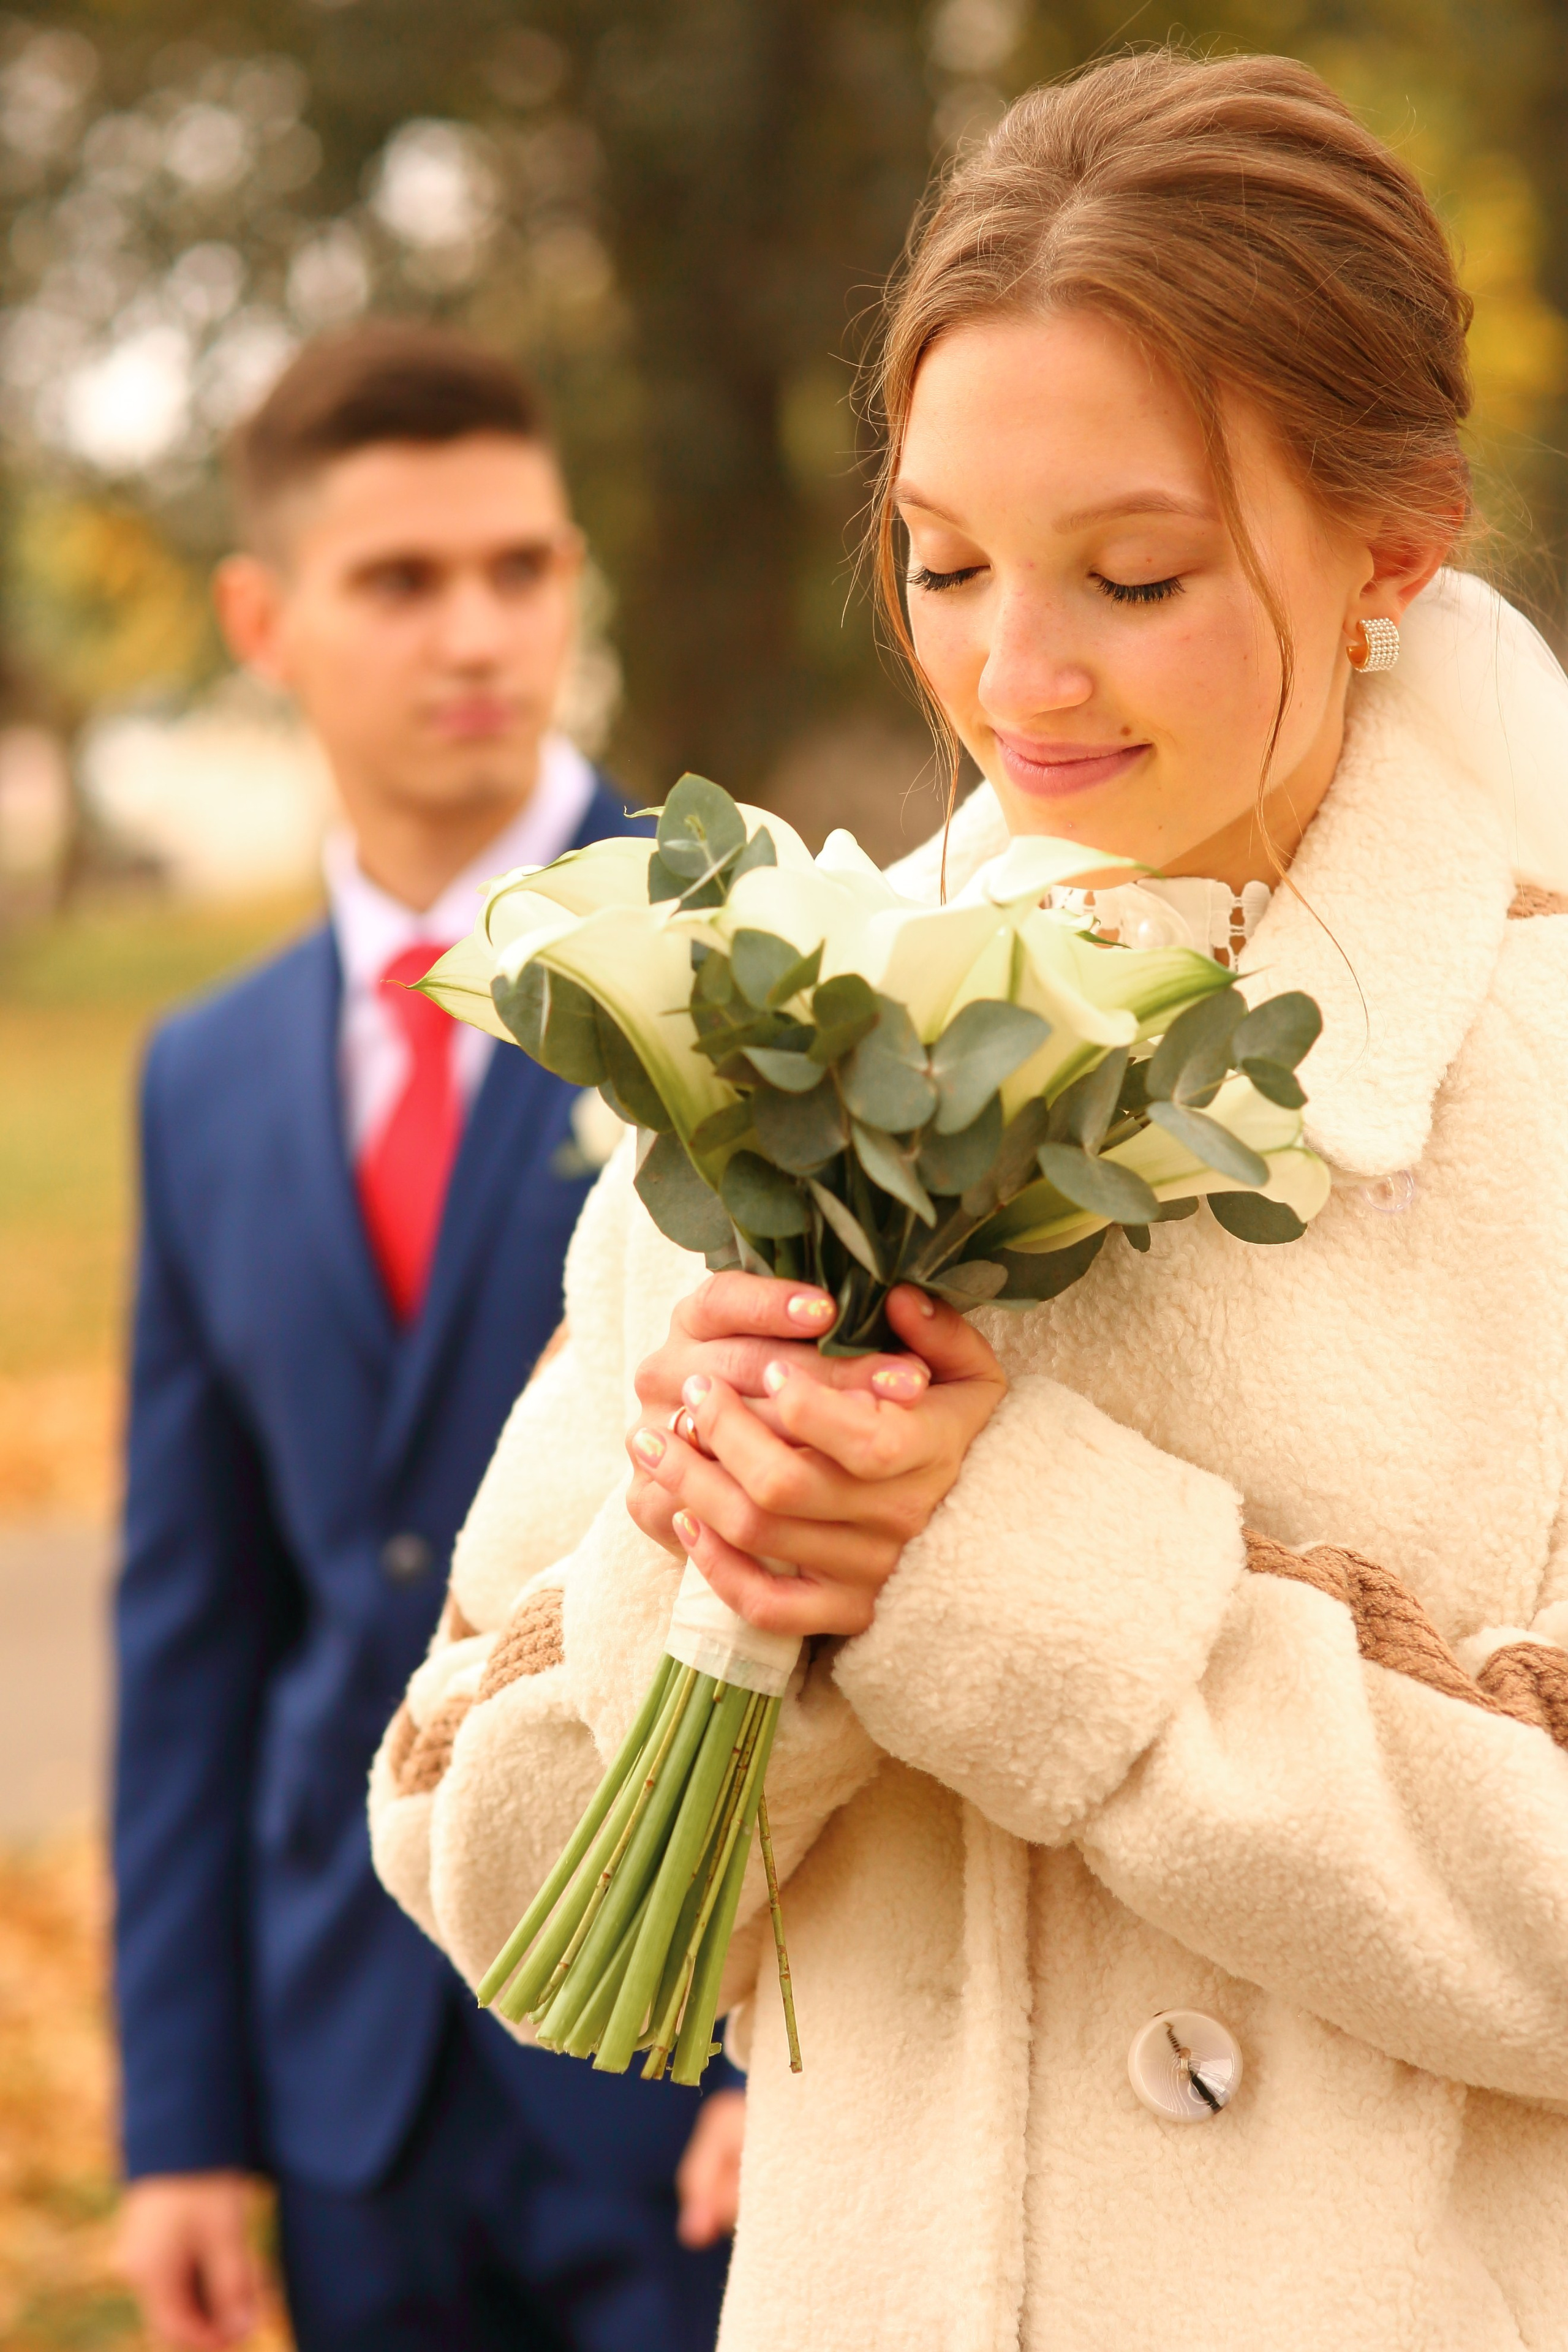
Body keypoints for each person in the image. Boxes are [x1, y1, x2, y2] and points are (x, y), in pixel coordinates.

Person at [371, 50, 1568, 2352]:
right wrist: (722, 1571)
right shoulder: (760, 1047)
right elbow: (511, 1901)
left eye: (1136, 573)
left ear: (1392, 548)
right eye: (943, 561)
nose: (1015, 677)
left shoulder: (1536, 1089)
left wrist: (1011, 1571)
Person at [113, 322, 742, 2352]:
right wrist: (184, 2119)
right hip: (341, 2082)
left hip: (680, 2059)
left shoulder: (758, 976)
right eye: (403, 581)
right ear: (263, 618)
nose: (478, 631)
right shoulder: (202, 1080)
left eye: (522, 568)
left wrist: (780, 2062)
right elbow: (198, 1626)